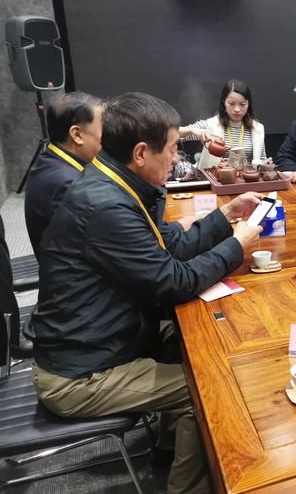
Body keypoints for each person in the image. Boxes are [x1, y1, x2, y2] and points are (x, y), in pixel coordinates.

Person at [29, 92, 264, 494]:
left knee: (209, 342)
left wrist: (225, 215)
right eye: (171, 149)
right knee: (205, 392)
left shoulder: (112, 182)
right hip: (79, 372)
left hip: (106, 337)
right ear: (140, 153)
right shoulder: (105, 205)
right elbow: (174, 282)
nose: (176, 158)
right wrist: (236, 247)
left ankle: (168, 450)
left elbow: (167, 244)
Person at [25, 91, 104, 258]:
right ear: (77, 135)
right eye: (104, 129)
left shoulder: (50, 160)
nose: (109, 137)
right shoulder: (68, 184)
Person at [179, 79, 266, 168]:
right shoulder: (211, 124)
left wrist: (265, 164)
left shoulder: (257, 128)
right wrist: (192, 131)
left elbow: (261, 161)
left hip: (248, 176)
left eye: (242, 104)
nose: (237, 109)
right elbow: (174, 133)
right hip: (215, 176)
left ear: (249, 104)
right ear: (224, 102)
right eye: (231, 104)